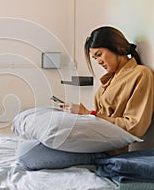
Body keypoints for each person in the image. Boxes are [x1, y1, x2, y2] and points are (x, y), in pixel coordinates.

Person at [16, 26, 154, 170]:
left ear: (117, 47)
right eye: (95, 58)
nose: (98, 61)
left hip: (105, 149)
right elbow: (101, 115)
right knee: (26, 145)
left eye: (99, 54)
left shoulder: (141, 75)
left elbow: (135, 127)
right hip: (92, 140)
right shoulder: (109, 80)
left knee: (27, 158)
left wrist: (88, 113)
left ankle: (96, 160)